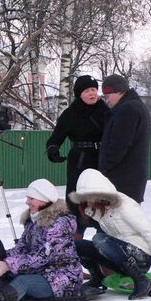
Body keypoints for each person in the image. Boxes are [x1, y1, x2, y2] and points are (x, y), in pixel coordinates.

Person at [0, 179, 83, 301]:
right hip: (42, 272)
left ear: (44, 200)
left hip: (63, 277)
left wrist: (9, 265)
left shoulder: (59, 224)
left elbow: (43, 256)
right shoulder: (33, 221)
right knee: (6, 274)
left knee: (22, 282)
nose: (27, 202)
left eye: (31, 198)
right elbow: (22, 248)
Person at [70, 168, 151, 299]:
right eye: (84, 197)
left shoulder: (125, 206)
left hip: (141, 258)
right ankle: (97, 278)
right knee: (77, 245)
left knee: (99, 239)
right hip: (121, 257)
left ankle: (141, 281)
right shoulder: (99, 210)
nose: (88, 201)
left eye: (90, 196)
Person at [46, 75, 108, 238]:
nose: (92, 93)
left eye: (94, 89)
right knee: (77, 205)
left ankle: (102, 244)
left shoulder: (106, 110)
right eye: (87, 90)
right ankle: (74, 243)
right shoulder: (71, 113)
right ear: (80, 94)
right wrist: (53, 150)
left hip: (102, 161)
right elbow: (56, 137)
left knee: (103, 204)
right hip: (80, 161)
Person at [98, 74, 151, 203]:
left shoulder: (127, 110)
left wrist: (104, 167)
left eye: (108, 96)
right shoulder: (136, 106)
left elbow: (119, 145)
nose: (107, 101)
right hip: (131, 181)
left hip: (122, 181)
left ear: (119, 92)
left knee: (120, 222)